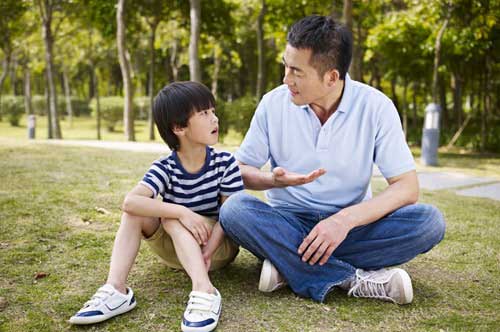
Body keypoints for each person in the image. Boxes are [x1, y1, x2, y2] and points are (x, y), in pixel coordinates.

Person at [219, 15, 446, 304]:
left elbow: (406, 187)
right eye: (285, 66)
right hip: (288, 221)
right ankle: (351, 279)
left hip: (353, 226)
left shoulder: (376, 107)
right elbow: (241, 170)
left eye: (296, 72)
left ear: (331, 77)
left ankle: (288, 264)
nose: (285, 79)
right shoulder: (273, 104)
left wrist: (342, 221)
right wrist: (271, 180)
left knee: (429, 222)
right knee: (236, 210)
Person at [69, 81, 244, 332]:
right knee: (142, 213)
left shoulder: (225, 162)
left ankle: (204, 289)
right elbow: (130, 201)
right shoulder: (165, 167)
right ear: (178, 127)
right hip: (176, 250)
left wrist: (205, 253)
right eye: (204, 113)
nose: (214, 119)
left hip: (216, 248)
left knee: (170, 218)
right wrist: (182, 211)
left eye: (213, 111)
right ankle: (116, 289)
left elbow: (230, 215)